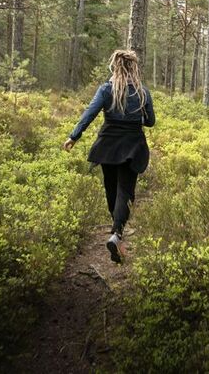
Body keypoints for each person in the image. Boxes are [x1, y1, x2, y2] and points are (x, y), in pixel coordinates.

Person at [63, 49, 155, 263]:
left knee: (111, 188)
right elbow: (150, 122)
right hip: (133, 145)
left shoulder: (106, 89)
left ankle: (116, 230)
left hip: (108, 144)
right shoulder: (142, 92)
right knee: (125, 191)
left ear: (115, 67)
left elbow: (90, 113)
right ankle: (117, 233)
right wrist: (136, 116)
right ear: (134, 68)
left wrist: (73, 137)